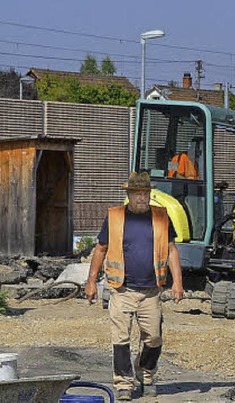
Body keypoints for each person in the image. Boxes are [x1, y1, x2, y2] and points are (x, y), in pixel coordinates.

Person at [85, 171, 184, 401]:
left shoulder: (161, 216)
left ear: (150, 194)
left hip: (151, 290)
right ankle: (124, 384)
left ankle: (146, 375)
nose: (141, 197)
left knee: (154, 338)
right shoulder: (115, 217)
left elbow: (171, 251)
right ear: (128, 195)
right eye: (137, 193)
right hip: (122, 289)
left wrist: (177, 282)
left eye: (145, 193)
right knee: (120, 338)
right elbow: (100, 249)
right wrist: (91, 281)